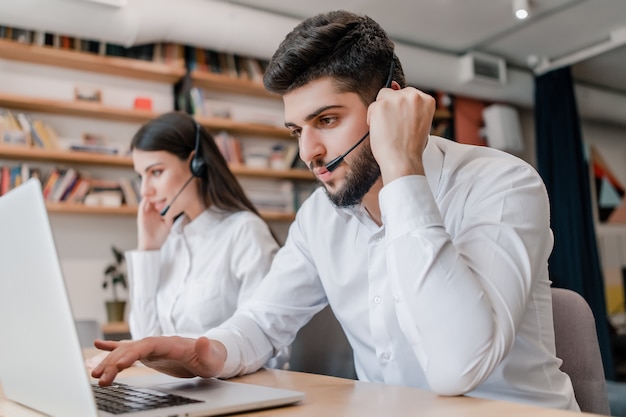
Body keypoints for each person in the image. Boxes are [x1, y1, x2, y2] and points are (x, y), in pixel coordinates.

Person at [92, 11, 578, 411]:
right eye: (296, 130)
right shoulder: (320, 219)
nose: (309, 152)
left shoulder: (502, 183)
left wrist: (403, 169)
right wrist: (199, 351)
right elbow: (261, 323)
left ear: (391, 103)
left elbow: (459, 365)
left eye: (326, 120)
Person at [123, 111, 280, 345]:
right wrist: (148, 250)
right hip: (170, 381)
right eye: (141, 176)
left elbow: (267, 343)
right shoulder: (170, 239)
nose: (145, 190)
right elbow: (145, 342)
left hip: (229, 380)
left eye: (156, 172)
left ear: (195, 164)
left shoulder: (244, 232)